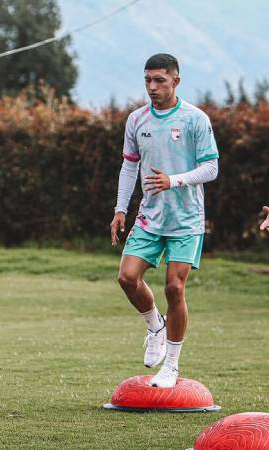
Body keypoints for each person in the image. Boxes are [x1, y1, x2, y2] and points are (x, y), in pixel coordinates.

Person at [110, 53, 219, 388]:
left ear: (176, 81)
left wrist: (175, 180)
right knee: (127, 278)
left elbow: (211, 168)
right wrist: (120, 209)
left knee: (175, 287)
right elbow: (130, 165)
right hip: (149, 216)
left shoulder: (195, 119)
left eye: (159, 80)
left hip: (186, 219)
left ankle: (171, 365)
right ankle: (155, 325)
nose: (152, 87)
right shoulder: (136, 120)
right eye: (148, 80)